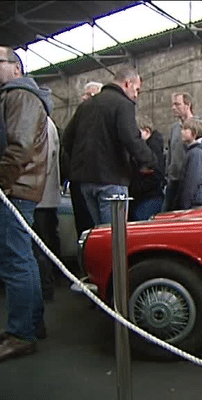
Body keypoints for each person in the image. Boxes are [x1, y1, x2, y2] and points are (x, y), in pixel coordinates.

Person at [0, 46, 53, 361]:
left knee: (15, 261)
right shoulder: (21, 96)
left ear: (15, 67)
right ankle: (30, 324)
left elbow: (18, 147)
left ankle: (21, 333)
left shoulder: (19, 96)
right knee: (24, 260)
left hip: (14, 189)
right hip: (21, 188)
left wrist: (2, 181)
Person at [62, 66, 156, 226]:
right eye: (137, 90)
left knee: (99, 233)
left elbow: (67, 138)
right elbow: (130, 138)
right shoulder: (123, 104)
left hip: (86, 181)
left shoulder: (86, 105)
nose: (136, 95)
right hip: (112, 181)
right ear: (128, 83)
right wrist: (150, 161)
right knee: (115, 237)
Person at [164, 92, 202, 211]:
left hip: (193, 187)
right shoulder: (174, 129)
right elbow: (170, 155)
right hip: (174, 184)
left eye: (177, 104)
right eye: (172, 104)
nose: (173, 108)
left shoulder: (200, 127)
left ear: (187, 105)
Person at [63, 83, 97, 241]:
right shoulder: (80, 116)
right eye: (84, 94)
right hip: (81, 178)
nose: (84, 98)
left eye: (89, 95)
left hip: (90, 178)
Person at [33, 117, 61, 302]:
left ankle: (46, 288)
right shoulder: (46, 122)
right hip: (45, 195)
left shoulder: (42, 122)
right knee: (47, 241)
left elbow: (47, 158)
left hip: (40, 196)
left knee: (40, 246)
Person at [128, 116, 165, 221]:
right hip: (141, 196)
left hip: (149, 197)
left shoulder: (153, 150)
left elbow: (156, 174)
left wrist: (135, 188)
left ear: (146, 131)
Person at [174, 118, 202, 209]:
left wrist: (184, 205)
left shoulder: (197, 153)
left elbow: (192, 182)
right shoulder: (194, 151)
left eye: (185, 129)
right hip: (195, 203)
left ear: (194, 133)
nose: (181, 132)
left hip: (196, 204)